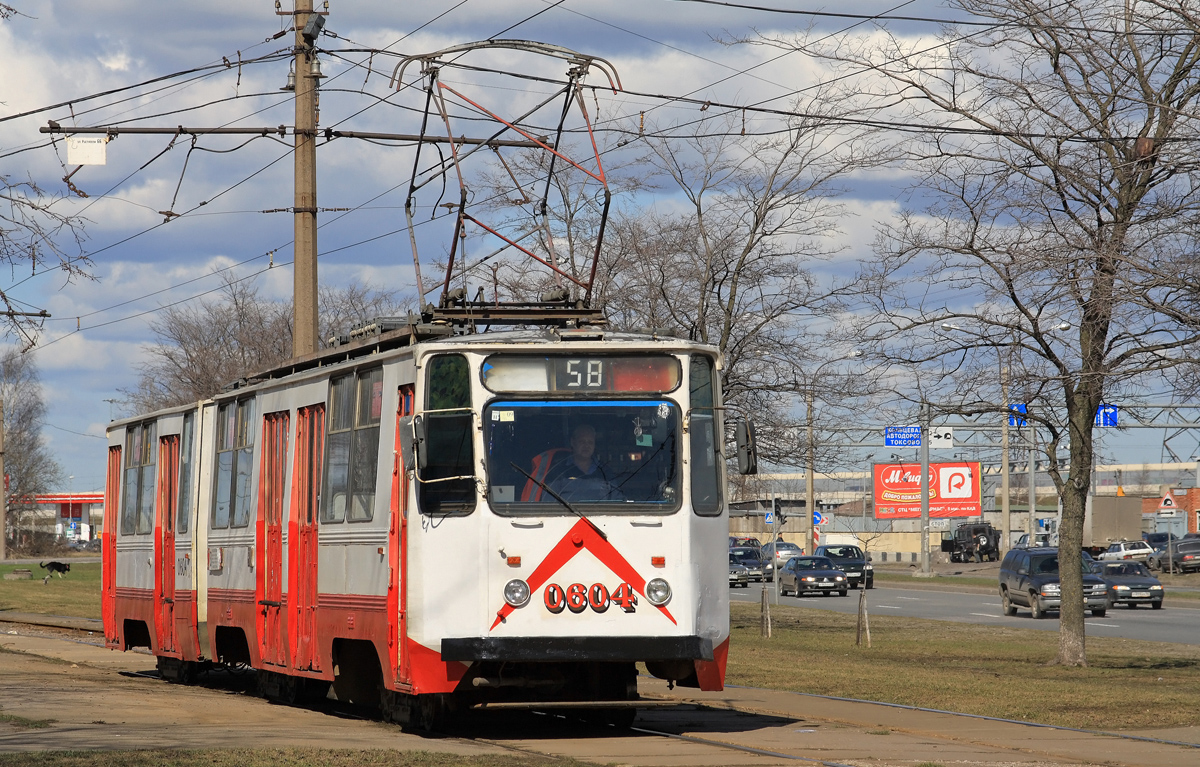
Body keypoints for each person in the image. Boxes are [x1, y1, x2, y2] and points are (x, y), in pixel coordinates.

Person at [522, 424, 620, 502]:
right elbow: (549, 505)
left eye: (590, 442)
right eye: (582, 442)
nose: (586, 446)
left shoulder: (605, 471)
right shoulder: (558, 471)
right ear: (573, 443)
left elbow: (617, 500)